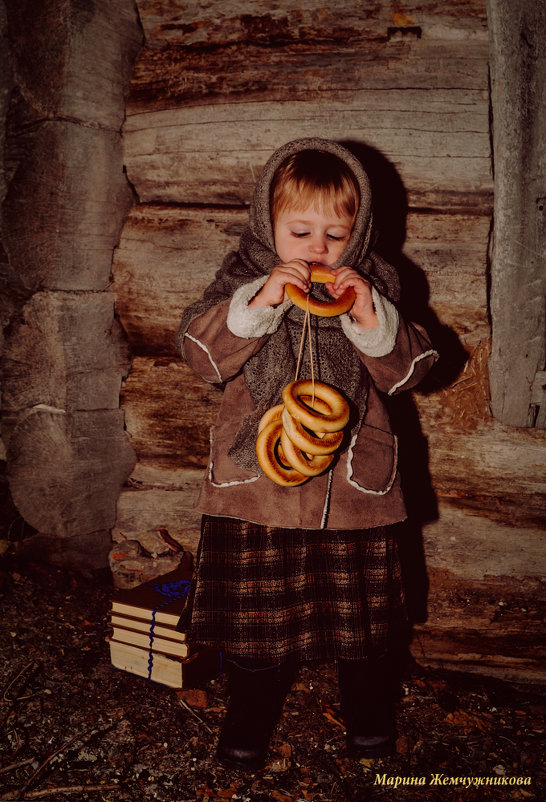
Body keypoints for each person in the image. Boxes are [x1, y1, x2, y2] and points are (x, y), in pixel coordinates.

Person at [176, 138, 438, 770]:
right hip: (256, 492)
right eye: (299, 231)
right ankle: (245, 733)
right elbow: (200, 357)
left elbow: (410, 374)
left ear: (361, 233)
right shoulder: (243, 279)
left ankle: (371, 729)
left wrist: (373, 316)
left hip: (352, 498)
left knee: (365, 631)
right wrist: (259, 303)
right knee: (257, 630)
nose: (317, 250)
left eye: (335, 234)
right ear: (267, 225)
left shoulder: (376, 285)